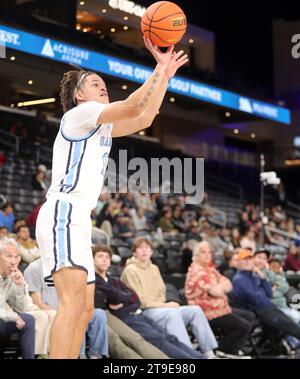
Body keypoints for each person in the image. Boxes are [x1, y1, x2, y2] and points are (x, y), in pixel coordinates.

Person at [35, 38, 188, 358]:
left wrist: (164, 78)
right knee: (72, 305)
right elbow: (133, 105)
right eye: (95, 83)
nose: (102, 86)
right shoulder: (79, 115)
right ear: (79, 94)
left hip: (78, 218)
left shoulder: (100, 125)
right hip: (64, 211)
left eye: (104, 83)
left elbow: (144, 118)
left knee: (86, 310)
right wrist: (158, 69)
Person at [93, 244, 206, 359]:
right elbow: (117, 297)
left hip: (137, 314)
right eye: (100, 256)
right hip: (125, 318)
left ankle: (201, 357)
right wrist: (125, 299)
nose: (105, 260)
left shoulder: (114, 280)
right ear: (92, 260)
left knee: (169, 337)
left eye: (107, 257)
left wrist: (124, 300)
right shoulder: (96, 280)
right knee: (158, 339)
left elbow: (135, 298)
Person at [121, 237, 218, 358]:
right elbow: (139, 301)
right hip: (144, 311)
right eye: (140, 248)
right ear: (134, 252)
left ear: (151, 251)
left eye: (147, 248)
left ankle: (209, 353)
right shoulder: (130, 270)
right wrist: (164, 305)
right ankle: (188, 354)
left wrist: (165, 305)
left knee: (195, 310)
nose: (144, 251)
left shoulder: (154, 268)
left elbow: (161, 292)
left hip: (160, 308)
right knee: (172, 314)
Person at [23, 258, 109, 359]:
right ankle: (79, 356)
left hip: (72, 307)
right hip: (52, 310)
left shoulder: (72, 266)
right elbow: (37, 302)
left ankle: (96, 355)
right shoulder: (34, 268)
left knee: (99, 314)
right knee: (71, 316)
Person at [185, 242, 255, 357]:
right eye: (203, 252)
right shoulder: (197, 272)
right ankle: (225, 350)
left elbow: (228, 283)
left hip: (222, 309)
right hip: (207, 313)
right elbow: (216, 292)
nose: (207, 255)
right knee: (244, 325)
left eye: (209, 252)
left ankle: (232, 347)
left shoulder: (209, 269)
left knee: (250, 316)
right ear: (196, 256)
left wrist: (220, 286)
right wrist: (220, 287)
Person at [231, 249, 300, 341]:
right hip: (259, 311)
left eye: (249, 259)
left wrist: (262, 278)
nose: (247, 262)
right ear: (238, 262)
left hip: (268, 308)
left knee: (289, 325)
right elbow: (254, 299)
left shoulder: (254, 276)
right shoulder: (239, 279)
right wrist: (262, 292)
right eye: (244, 259)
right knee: (293, 328)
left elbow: (270, 294)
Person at [0, 238, 35, 359]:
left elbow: (22, 308)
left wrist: (19, 285)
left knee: (28, 319)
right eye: (9, 256)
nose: (13, 261)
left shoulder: (13, 276)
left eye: (17, 256)